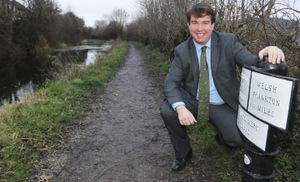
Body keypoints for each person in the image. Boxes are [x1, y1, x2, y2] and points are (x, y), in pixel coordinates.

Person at [160, 2, 285, 172]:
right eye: (195, 23)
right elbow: (171, 83)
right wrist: (180, 107)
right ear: (188, 25)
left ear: (213, 25)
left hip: (222, 102)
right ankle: (183, 154)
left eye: (205, 23)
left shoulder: (228, 41)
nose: (200, 29)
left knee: (238, 139)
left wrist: (271, 50)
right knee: (168, 110)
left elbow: (253, 63)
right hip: (193, 100)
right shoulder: (181, 51)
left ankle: (223, 136)